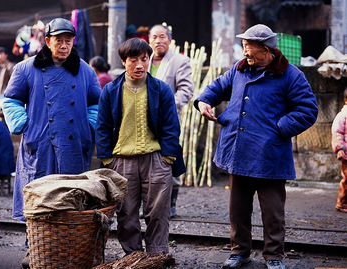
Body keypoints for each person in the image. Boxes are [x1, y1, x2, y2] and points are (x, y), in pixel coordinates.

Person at [194, 24, 318, 269]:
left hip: (269, 154)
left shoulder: (290, 75)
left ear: (265, 50)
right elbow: (216, 87)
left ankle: (273, 256)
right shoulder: (239, 70)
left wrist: (278, 129)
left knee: (273, 213)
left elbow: (308, 110)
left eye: (248, 48)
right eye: (243, 47)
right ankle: (240, 251)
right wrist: (204, 101)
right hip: (238, 150)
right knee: (238, 209)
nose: (245, 53)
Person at [2, 17, 101, 268]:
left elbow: (96, 104)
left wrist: (88, 126)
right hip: (40, 145)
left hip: (74, 145)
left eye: (69, 40)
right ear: (47, 41)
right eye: (59, 40)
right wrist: (25, 126)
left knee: (71, 198)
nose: (64, 45)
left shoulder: (86, 71)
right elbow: (11, 100)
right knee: (39, 199)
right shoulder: (25, 68)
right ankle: (33, 249)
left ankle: (69, 249)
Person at [96, 38, 185, 255]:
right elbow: (103, 126)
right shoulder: (110, 91)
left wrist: (167, 158)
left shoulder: (161, 89)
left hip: (156, 159)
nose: (139, 65)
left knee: (158, 211)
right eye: (133, 60)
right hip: (121, 162)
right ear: (123, 61)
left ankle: (156, 255)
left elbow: (172, 126)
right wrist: (108, 160)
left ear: (149, 60)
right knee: (126, 212)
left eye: (144, 59)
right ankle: (133, 256)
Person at [148, 24, 194, 217]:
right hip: (146, 121)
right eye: (154, 37)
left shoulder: (179, 61)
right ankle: (152, 203)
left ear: (170, 39)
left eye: (162, 37)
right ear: (149, 40)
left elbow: (186, 90)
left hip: (169, 120)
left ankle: (171, 203)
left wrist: (164, 108)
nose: (158, 41)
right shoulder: (145, 60)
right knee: (148, 160)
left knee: (170, 158)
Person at [331, 87, 347, 213]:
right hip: (346, 154)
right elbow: (337, 133)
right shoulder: (342, 116)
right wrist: (339, 149)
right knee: (346, 180)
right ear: (346, 100)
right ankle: (341, 203)